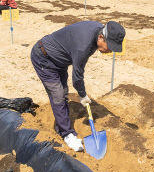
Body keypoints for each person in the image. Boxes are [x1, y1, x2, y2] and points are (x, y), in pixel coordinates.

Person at [31, 21, 126, 152]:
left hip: (60, 60)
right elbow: (77, 77)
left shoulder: (98, 31)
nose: (110, 50)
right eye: (109, 46)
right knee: (58, 94)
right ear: (101, 37)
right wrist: (83, 95)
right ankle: (67, 134)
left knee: (63, 92)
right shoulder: (84, 46)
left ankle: (61, 126)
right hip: (44, 58)